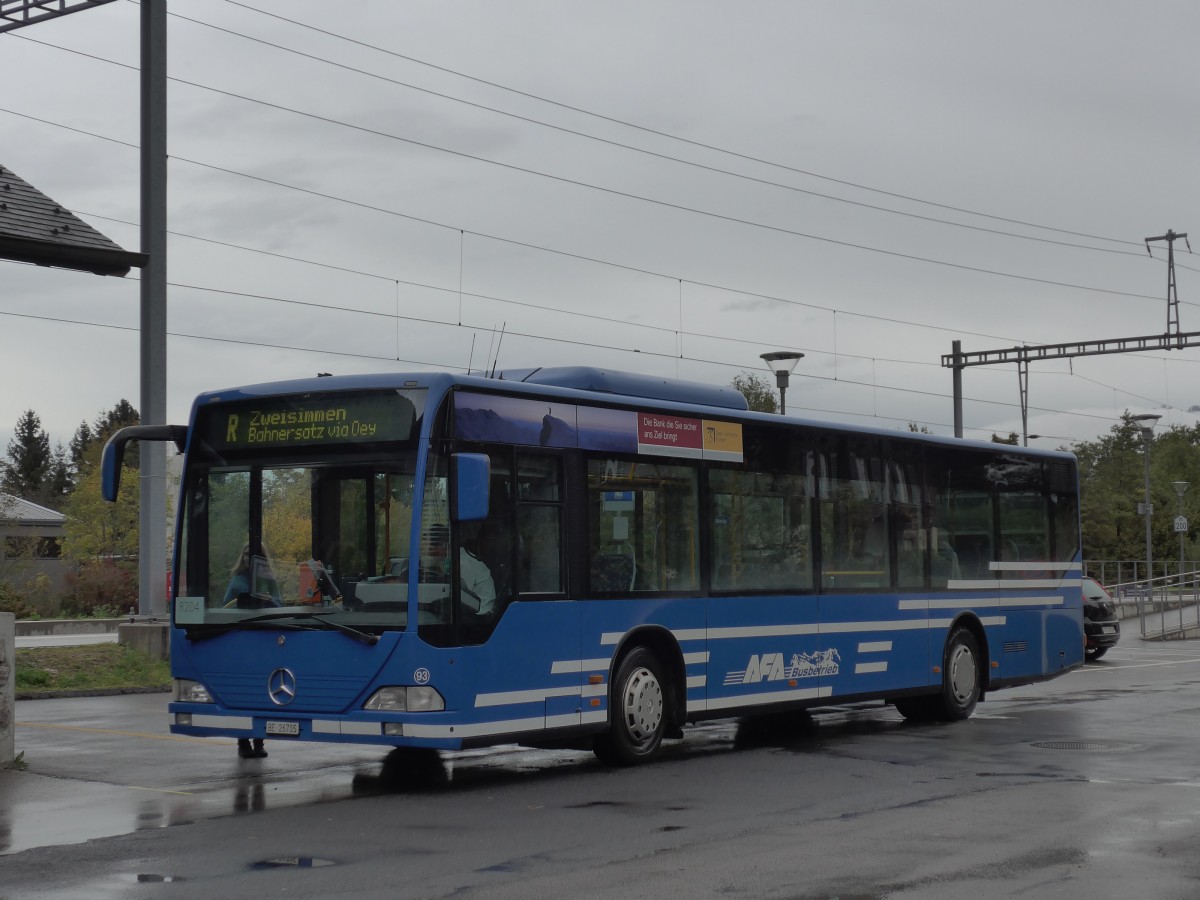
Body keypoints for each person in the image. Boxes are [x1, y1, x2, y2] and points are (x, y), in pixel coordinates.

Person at [422, 524, 496, 616]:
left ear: (443, 545)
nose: (428, 553)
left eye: (430, 548)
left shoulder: (462, 562)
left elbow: (465, 598)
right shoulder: (450, 558)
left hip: (482, 613)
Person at [223, 542, 282, 607]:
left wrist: (269, 600)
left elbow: (280, 606)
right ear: (242, 557)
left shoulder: (269, 579)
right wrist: (242, 603)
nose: (249, 558)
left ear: (262, 557)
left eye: (253, 554)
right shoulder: (236, 580)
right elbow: (226, 606)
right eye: (246, 554)